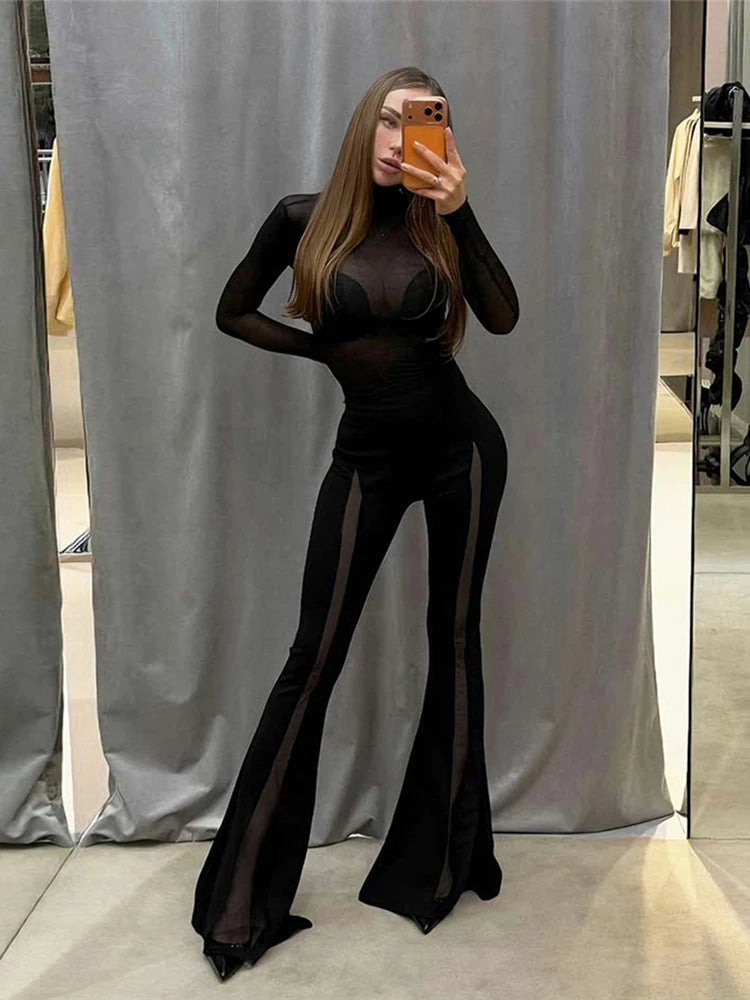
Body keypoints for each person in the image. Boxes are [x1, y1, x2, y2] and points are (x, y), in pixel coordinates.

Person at [191, 66, 520, 982]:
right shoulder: (302, 219)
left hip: (463, 451)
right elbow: (231, 312)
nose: (397, 140)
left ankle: (439, 867)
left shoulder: (437, 221)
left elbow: (503, 317)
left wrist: (460, 210)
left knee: (455, 644)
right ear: (363, 126)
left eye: (418, 124)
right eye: (387, 121)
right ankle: (242, 900)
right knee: (313, 658)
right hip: (366, 460)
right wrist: (328, 354)